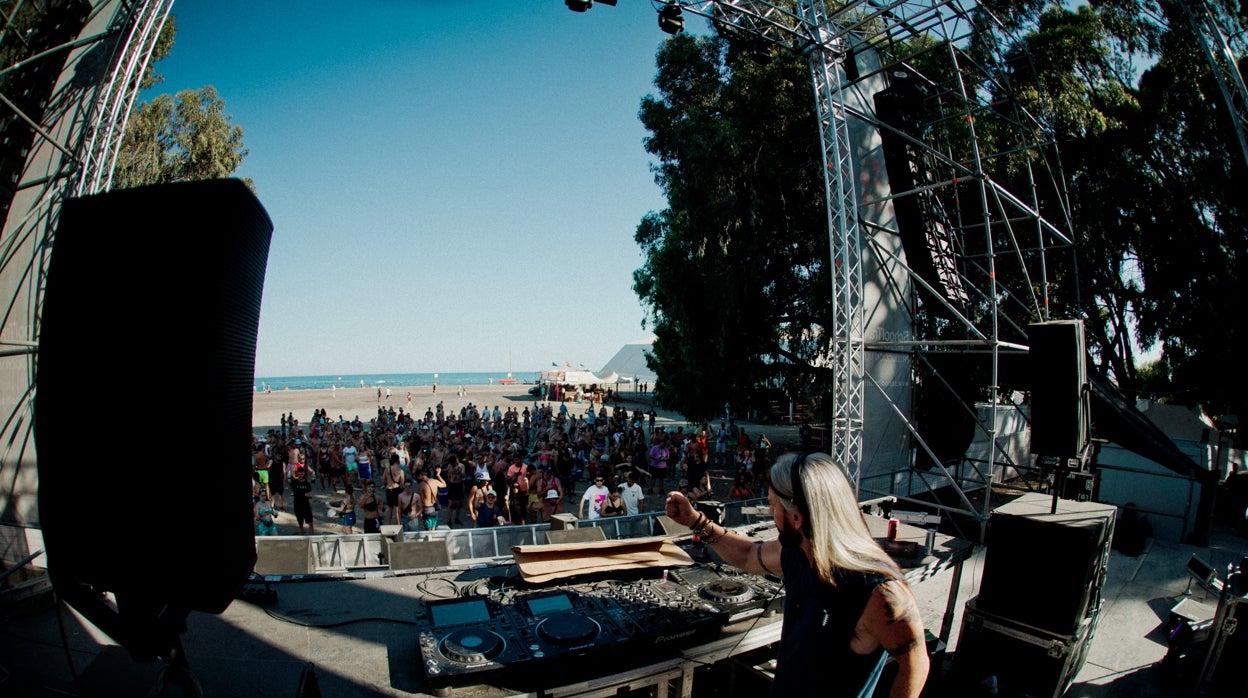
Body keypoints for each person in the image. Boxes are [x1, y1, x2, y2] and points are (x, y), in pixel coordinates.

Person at [663, 451, 929, 698]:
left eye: (773, 506)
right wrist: (695, 521)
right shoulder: (797, 551)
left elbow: (915, 666)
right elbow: (747, 556)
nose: (770, 513)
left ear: (797, 518)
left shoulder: (879, 592)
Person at [289, 464, 315, 535]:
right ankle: (302, 535)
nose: (301, 475)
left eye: (302, 473)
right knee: (300, 523)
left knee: (310, 522)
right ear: (297, 473)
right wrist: (291, 471)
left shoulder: (307, 484)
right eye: (299, 474)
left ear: (304, 474)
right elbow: (287, 480)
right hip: (297, 505)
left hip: (306, 505)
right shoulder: (294, 482)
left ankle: (312, 536)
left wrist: (308, 495)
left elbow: (310, 495)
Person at [382, 453, 406, 525]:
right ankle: (398, 524)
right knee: (397, 509)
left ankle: (389, 523)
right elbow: (402, 484)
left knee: (390, 508)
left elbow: (383, 480)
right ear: (398, 460)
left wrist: (387, 483)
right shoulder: (400, 471)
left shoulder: (387, 469)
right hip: (397, 489)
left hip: (389, 489)